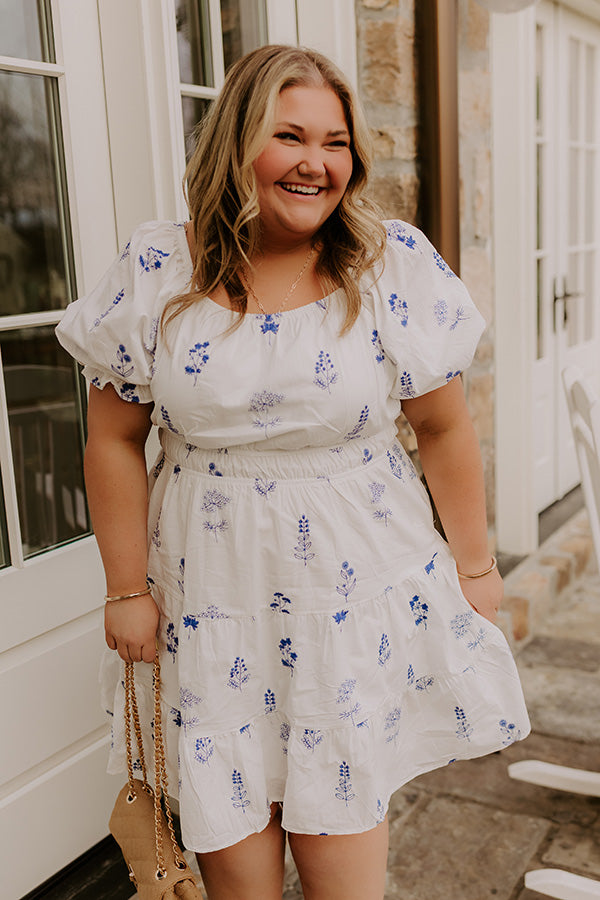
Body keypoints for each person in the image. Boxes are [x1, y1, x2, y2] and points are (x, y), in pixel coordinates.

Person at [56, 44, 529, 900]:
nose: (317, 162)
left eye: (335, 142)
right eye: (290, 136)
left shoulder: (388, 263)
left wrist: (476, 566)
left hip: (350, 595)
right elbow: (113, 441)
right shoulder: (159, 270)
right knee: (238, 870)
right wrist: (125, 588)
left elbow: (443, 426)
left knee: (343, 858)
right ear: (237, 143)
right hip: (209, 596)